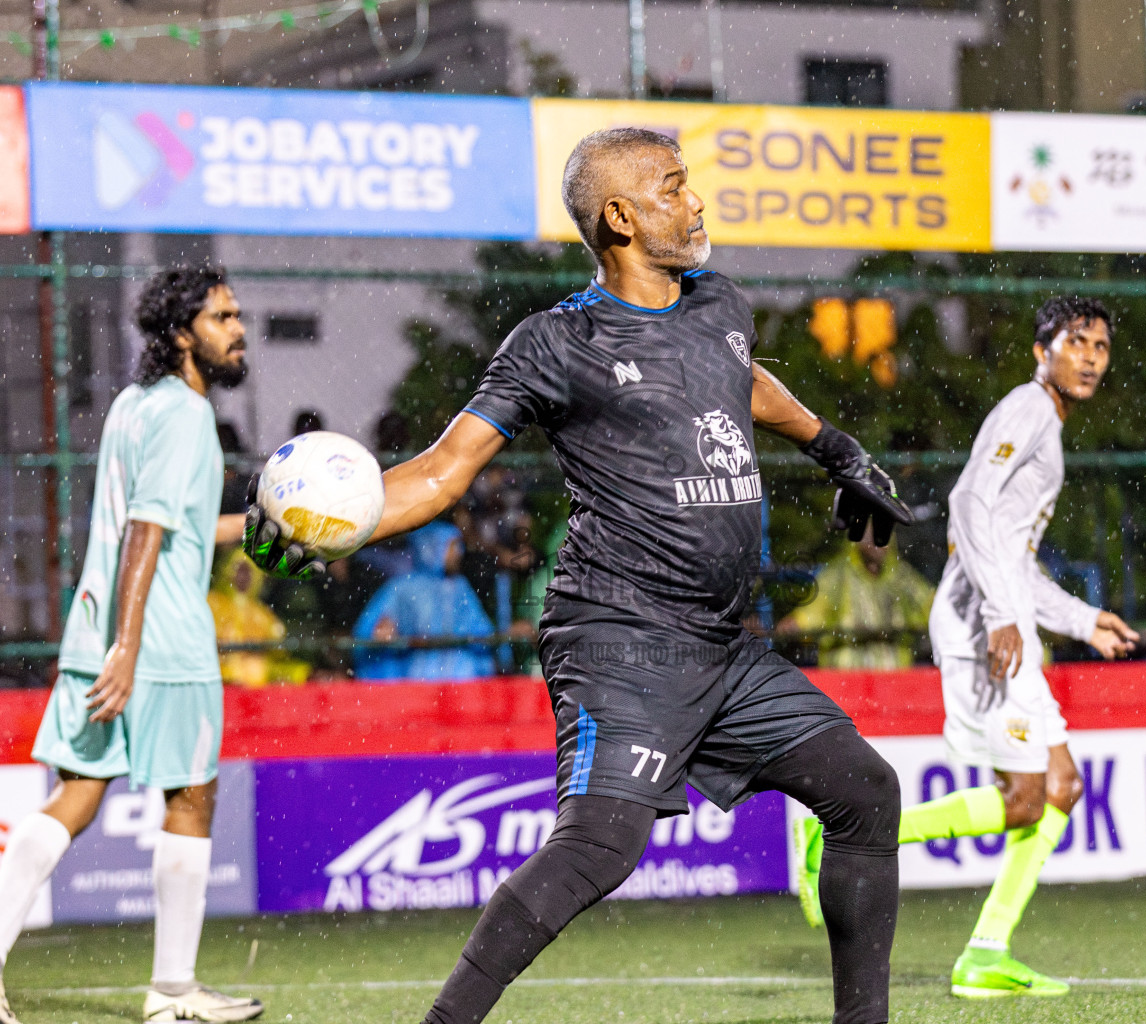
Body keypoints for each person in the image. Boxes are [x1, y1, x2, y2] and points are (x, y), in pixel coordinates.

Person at [246, 127, 913, 1024]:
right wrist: (341, 526)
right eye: (674, 187)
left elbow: (742, 379)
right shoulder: (557, 342)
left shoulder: (719, 305)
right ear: (622, 216)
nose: (696, 201)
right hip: (620, 639)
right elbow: (445, 471)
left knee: (866, 793)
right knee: (601, 846)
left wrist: (836, 449)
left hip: (722, 648)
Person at [0, 265, 261, 1024]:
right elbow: (147, 531)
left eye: (237, 314)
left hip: (99, 624)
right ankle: (173, 992)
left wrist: (255, 527)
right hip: (156, 639)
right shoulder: (184, 413)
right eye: (222, 317)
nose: (238, 328)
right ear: (183, 334)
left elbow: (162, 524)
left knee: (78, 792)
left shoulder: (133, 404)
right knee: (191, 794)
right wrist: (130, 646)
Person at [794, 296, 1140, 999]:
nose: (1091, 357)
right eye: (1077, 342)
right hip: (986, 630)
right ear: (1042, 350)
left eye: (1101, 346)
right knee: (1022, 800)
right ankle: (840, 839)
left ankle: (986, 953)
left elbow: (1014, 560)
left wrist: (1082, 619)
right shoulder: (1030, 406)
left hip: (1002, 618)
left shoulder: (1046, 421)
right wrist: (998, 613)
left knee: (1061, 788)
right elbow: (967, 502)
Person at [776, 521, 935, 670]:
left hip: (895, 681)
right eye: (868, 537)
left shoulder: (904, 579)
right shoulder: (836, 577)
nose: (875, 544)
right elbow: (811, 615)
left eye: (881, 536)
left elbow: (934, 609)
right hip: (845, 680)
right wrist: (794, 625)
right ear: (856, 540)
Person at [352, 521, 496, 682]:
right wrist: (380, 632)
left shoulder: (461, 588)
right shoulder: (401, 588)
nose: (458, 553)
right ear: (430, 547)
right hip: (416, 684)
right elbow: (367, 632)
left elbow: (483, 631)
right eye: (451, 546)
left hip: (462, 684)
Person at [207, 547, 310, 687]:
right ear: (226, 571)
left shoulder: (261, 612)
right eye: (239, 570)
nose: (243, 576)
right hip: (219, 677)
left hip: (257, 681)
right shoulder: (211, 604)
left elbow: (279, 648)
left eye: (248, 571)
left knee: (301, 673)